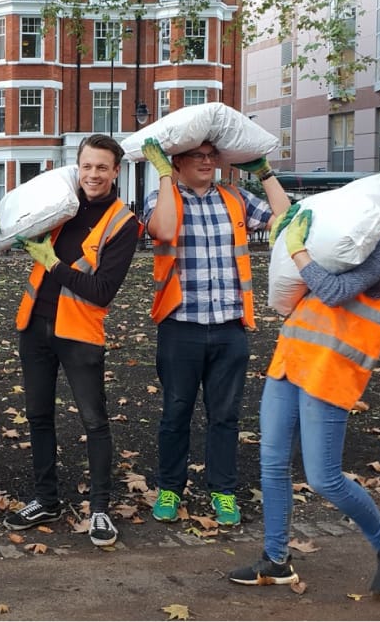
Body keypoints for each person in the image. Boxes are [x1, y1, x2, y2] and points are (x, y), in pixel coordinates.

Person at [229, 181, 380, 599]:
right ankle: (275, 560)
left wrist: (298, 251)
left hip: (331, 370)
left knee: (324, 478)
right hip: (292, 358)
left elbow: (334, 292)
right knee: (273, 462)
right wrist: (269, 182)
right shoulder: (361, 234)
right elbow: (302, 221)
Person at [0, 134, 140, 547]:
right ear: (78, 166)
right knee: (38, 416)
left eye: (102, 167)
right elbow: (18, 222)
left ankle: (100, 509)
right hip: (35, 325)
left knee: (93, 420)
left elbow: (103, 290)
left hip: (79, 332)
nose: (93, 174)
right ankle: (46, 498)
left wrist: (54, 264)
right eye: (87, 166)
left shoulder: (123, 222)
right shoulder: (62, 204)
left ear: (116, 171)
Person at [141, 139, 290, 526]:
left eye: (212, 156)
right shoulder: (163, 197)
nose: (207, 162)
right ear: (179, 162)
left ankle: (222, 491)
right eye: (197, 157)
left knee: (225, 416)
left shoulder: (235, 197)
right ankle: (171, 488)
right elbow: (164, 228)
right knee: (176, 412)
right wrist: (164, 175)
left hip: (229, 326)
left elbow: (286, 218)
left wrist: (265, 172)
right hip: (180, 326)